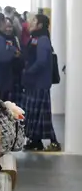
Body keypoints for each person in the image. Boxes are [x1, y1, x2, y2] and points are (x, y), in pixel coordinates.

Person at [22, 14, 61, 151]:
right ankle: (35, 141)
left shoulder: (42, 39)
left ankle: (54, 141)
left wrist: (28, 71)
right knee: (35, 114)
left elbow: (41, 61)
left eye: (34, 21)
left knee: (41, 114)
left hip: (39, 83)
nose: (30, 23)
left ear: (40, 25)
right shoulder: (35, 38)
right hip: (33, 83)